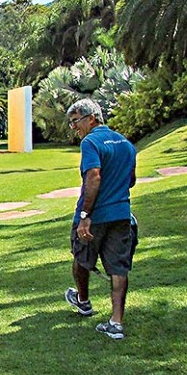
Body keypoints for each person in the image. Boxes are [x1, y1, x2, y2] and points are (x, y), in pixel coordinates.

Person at [63, 98, 137, 340]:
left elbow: (93, 177)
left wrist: (85, 215)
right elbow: (132, 180)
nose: (74, 128)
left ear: (91, 118)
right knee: (118, 267)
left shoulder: (90, 142)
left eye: (76, 122)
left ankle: (83, 301)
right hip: (121, 215)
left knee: (81, 258)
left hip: (95, 217)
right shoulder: (126, 144)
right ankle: (116, 322)